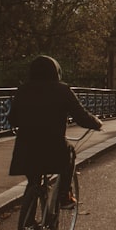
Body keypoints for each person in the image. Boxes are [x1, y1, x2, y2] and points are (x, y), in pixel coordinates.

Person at [8, 55, 103, 206]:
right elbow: (81, 116)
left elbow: (12, 119)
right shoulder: (62, 90)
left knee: (33, 182)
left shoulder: (23, 90)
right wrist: (96, 123)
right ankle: (64, 195)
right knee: (70, 153)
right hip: (53, 146)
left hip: (25, 148)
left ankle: (28, 223)